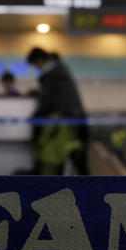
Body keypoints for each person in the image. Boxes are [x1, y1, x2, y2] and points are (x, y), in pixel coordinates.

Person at [27, 47, 88, 175]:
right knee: (79, 164)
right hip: (75, 120)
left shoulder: (53, 75)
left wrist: (35, 118)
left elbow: (48, 102)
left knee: (58, 160)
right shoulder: (60, 70)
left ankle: (60, 191)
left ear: (40, 60)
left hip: (64, 124)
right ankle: (92, 192)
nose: (37, 69)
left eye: (36, 65)